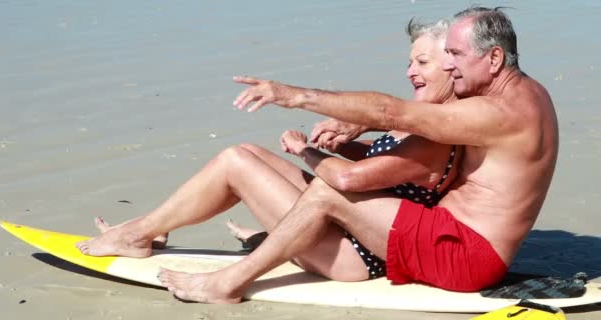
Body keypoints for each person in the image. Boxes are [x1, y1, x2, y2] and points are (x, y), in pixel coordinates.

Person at [83, 6, 559, 304]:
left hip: (464, 254)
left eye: (453, 56)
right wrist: (357, 127)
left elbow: (392, 113)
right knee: (250, 158)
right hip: (454, 239)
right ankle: (150, 229)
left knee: (328, 190)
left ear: (494, 59)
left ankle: (229, 282)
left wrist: (295, 96)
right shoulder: (523, 96)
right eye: (446, 56)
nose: (449, 65)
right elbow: (403, 119)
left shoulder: (497, 111)